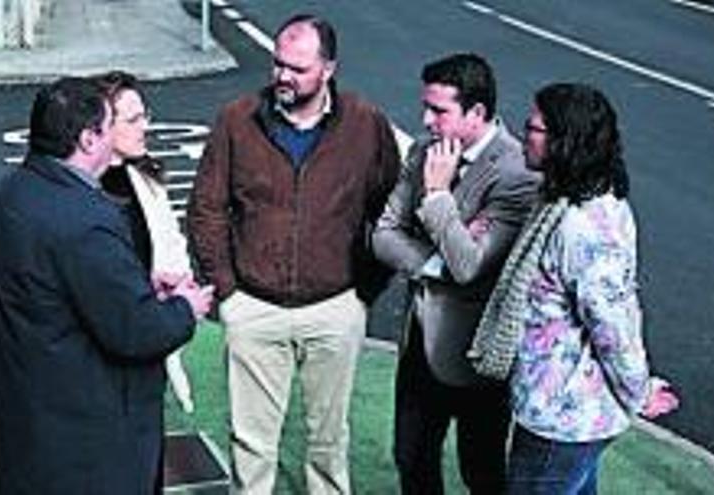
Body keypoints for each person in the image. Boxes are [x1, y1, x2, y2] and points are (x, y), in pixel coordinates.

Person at [187, 14, 401, 495]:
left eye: (298, 68)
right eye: (278, 64)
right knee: (251, 442)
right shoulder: (236, 120)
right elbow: (206, 207)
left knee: (328, 441)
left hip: (335, 308)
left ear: (328, 69)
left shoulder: (366, 124)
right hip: (254, 308)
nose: (283, 76)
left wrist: (363, 290)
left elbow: (391, 213)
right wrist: (228, 291)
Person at [0, 77, 214, 495]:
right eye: (112, 125)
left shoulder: (9, 194)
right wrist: (183, 307)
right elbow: (135, 331)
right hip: (81, 451)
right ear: (89, 139)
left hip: (23, 435)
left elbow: (61, 292)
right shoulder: (85, 218)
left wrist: (141, 287)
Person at [469, 83, 680, 494]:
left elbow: (615, 327)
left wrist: (640, 392)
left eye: (533, 128)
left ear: (563, 142)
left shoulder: (579, 226)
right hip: (561, 410)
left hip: (564, 419)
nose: (522, 134)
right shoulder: (561, 199)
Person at [372, 53, 540, 494]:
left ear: (477, 113)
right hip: (419, 342)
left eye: (439, 111)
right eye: (426, 107)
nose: (427, 120)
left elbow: (471, 268)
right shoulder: (423, 151)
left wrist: (436, 193)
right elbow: (384, 235)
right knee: (412, 460)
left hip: (476, 352)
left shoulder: (518, 173)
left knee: (481, 472)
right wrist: (436, 260)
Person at [96, 70, 195, 414]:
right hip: (100, 343)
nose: (145, 127)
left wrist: (177, 283)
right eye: (133, 119)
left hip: (146, 331)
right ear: (102, 126)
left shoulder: (144, 176)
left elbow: (170, 241)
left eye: (145, 116)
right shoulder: (80, 188)